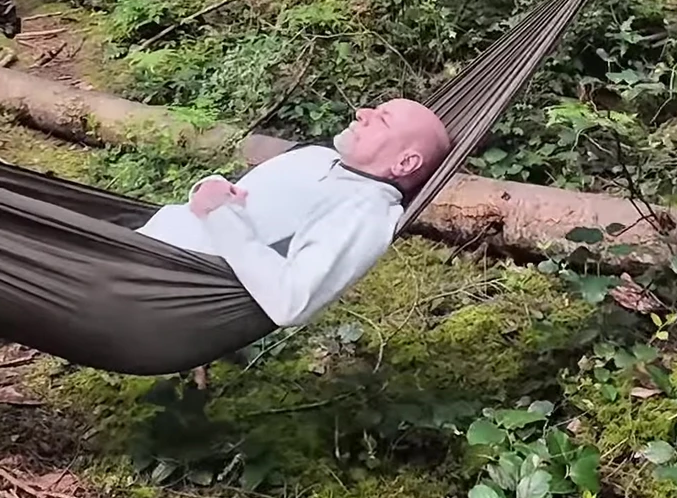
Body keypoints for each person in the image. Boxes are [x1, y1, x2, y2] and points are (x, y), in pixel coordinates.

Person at [136, 99, 451, 328]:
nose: (362, 113)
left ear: (405, 164)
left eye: (382, 119)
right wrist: (213, 190)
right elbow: (233, 203)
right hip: (133, 249)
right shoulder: (316, 156)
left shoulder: (364, 211)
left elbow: (291, 303)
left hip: (155, 286)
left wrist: (219, 213)